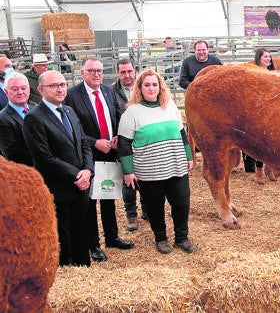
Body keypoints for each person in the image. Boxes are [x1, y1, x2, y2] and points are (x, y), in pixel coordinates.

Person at [118, 69, 195, 255]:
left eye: (155, 84)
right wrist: (128, 171)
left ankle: (182, 238)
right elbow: (124, 143)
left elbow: (181, 133)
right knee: (155, 207)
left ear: (161, 87)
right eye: (147, 85)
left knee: (181, 204)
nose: (151, 88)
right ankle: (161, 238)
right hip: (149, 171)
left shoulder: (170, 106)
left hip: (175, 165)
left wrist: (189, 156)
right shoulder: (132, 112)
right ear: (139, 88)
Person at [64, 58, 134, 263]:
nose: (96, 74)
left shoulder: (108, 91)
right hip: (89, 155)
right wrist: (94, 142)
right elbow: (71, 128)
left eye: (100, 71)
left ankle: (112, 237)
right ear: (82, 72)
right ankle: (93, 244)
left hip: (110, 153)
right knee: (90, 201)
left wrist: (117, 136)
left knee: (108, 195)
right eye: (92, 71)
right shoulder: (73, 95)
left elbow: (116, 116)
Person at [23, 70, 93, 267]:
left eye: (62, 84)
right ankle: (66, 267)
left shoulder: (69, 111)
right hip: (58, 186)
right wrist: (76, 174)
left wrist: (88, 170)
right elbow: (44, 157)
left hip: (81, 184)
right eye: (54, 86)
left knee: (81, 227)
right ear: (41, 90)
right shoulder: (34, 118)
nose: (60, 89)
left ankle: (83, 266)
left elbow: (83, 143)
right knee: (63, 230)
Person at [112, 58, 147, 230]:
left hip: (143, 139)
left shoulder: (144, 87)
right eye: (123, 72)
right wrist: (115, 134)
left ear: (135, 71)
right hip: (125, 140)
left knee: (147, 176)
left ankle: (147, 210)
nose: (127, 75)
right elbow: (112, 115)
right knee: (128, 178)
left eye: (129, 71)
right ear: (118, 73)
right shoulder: (111, 91)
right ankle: (131, 216)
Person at [244, 47, 276, 184]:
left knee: (272, 140)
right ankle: (259, 171)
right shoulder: (254, 73)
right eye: (265, 57)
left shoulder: (271, 73)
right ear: (259, 58)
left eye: (269, 56)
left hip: (271, 110)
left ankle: (270, 168)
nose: (268, 59)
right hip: (258, 111)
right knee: (261, 142)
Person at [0, 73, 33, 165]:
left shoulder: (36, 110)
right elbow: (13, 154)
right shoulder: (3, 119)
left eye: (23, 88)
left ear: (29, 90)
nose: (20, 92)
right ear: (6, 92)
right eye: (15, 89)